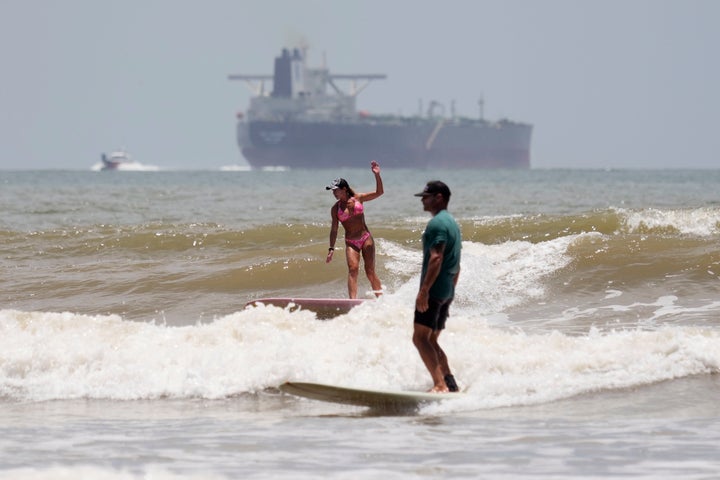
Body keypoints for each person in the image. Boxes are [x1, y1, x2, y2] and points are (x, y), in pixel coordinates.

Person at [412, 181, 462, 393]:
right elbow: (457, 262)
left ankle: (439, 384)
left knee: (420, 338)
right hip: (446, 289)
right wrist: (449, 291)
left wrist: (424, 291)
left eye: (426, 196)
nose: (422, 200)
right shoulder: (451, 223)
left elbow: (436, 258)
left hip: (434, 290)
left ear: (439, 197)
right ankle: (450, 382)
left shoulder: (437, 225)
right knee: (431, 339)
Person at [326, 160, 384, 299]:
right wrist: (331, 248)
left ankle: (381, 298)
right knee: (353, 270)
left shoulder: (359, 198)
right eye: (333, 190)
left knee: (370, 271)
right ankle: (352, 302)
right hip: (351, 242)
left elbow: (379, 192)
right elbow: (334, 229)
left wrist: (377, 175)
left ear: (344, 189)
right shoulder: (336, 209)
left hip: (365, 239)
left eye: (336, 190)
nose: (334, 192)